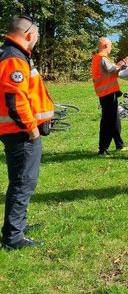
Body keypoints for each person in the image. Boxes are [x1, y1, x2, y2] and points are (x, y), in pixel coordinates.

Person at [0, 15, 54, 250]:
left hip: (16, 131)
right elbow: (15, 101)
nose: (37, 41)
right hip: (20, 133)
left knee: (21, 181)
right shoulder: (13, 58)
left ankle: (17, 226)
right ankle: (13, 238)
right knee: (23, 183)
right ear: (29, 35)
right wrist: (31, 129)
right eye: (37, 37)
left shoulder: (14, 54)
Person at [91, 37, 125, 155]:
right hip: (108, 93)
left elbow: (111, 71)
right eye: (110, 45)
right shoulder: (102, 58)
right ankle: (103, 149)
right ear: (105, 46)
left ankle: (119, 145)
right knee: (108, 121)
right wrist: (123, 63)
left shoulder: (97, 58)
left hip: (106, 93)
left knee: (115, 119)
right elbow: (111, 69)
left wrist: (123, 65)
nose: (111, 48)